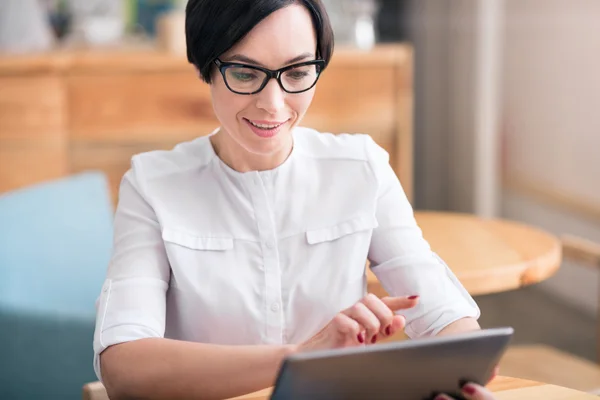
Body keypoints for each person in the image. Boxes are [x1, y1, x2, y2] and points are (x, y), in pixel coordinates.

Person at [93, 0, 482, 399]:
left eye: (297, 72)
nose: (273, 103)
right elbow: (123, 367)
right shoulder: (153, 185)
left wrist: (462, 376)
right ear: (205, 66)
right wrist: (302, 358)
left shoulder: (361, 169)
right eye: (245, 73)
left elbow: (446, 320)